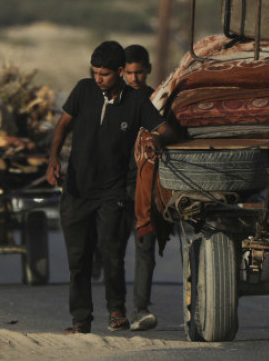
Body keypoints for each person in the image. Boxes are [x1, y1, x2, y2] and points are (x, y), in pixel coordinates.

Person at [46, 41, 177, 335]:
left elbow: (166, 129)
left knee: (111, 254)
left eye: (104, 74)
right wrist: (53, 159)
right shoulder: (83, 90)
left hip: (113, 193)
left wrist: (158, 139)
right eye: (94, 72)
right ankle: (81, 319)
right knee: (78, 260)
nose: (98, 79)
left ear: (119, 72)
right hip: (77, 190)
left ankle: (116, 311)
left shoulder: (136, 102)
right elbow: (63, 124)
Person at [121, 44, 160, 332]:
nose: (135, 78)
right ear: (122, 72)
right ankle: (115, 309)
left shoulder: (156, 100)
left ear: (147, 70)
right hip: (115, 186)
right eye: (129, 73)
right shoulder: (112, 102)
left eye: (139, 73)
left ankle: (140, 309)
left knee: (145, 248)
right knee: (110, 247)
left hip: (145, 187)